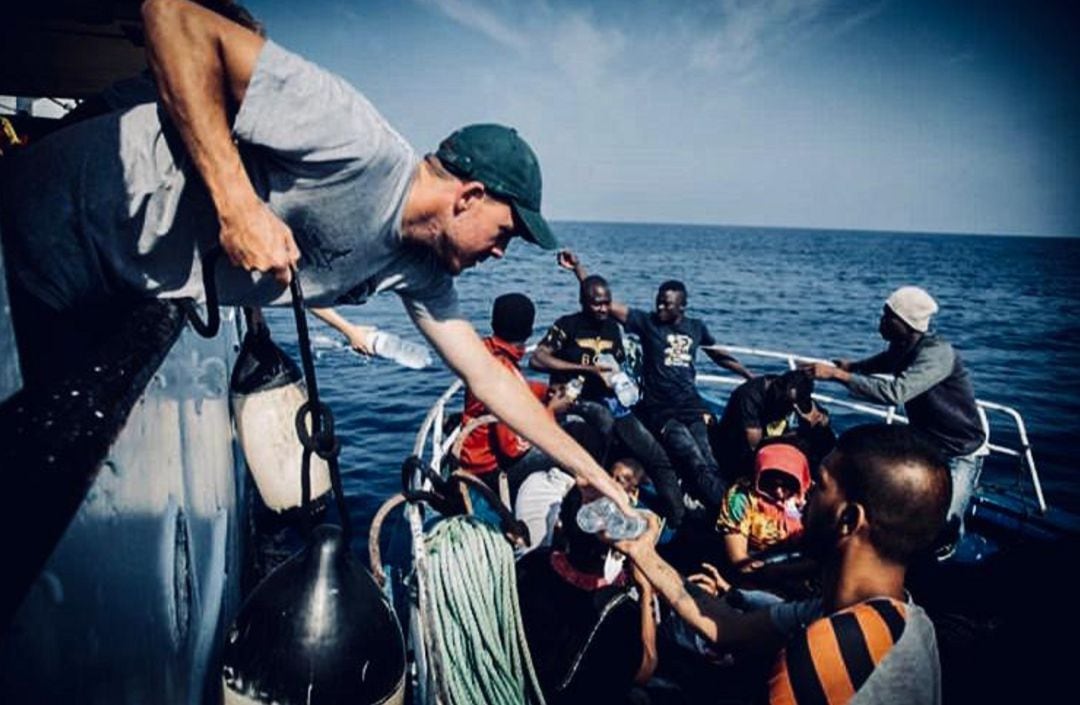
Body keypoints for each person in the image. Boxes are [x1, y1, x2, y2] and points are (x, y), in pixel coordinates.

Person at [0, 0, 630, 514]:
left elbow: (491, 378)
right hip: (41, 228)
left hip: (102, 286)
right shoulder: (354, 140)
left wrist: (591, 472)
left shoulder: (418, 268)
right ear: (468, 196)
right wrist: (237, 205)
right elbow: (173, 16)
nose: (502, 253)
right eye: (507, 232)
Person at [613, 424, 951, 705]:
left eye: (818, 485)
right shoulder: (906, 618)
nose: (802, 499)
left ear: (848, 519)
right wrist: (646, 555)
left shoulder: (820, 652)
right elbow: (727, 627)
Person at [559, 250, 752, 514]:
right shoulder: (647, 323)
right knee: (691, 456)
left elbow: (718, 355)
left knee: (708, 456)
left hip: (691, 406)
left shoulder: (696, 327)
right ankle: (727, 513)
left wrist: (748, 375)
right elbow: (604, 302)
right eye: (658, 302)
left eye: (667, 304)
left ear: (682, 306)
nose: (660, 307)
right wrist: (577, 269)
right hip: (661, 410)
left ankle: (723, 504)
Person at [806, 286, 985, 551]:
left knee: (945, 525)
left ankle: (943, 561)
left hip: (960, 450)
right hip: (928, 444)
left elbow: (895, 392)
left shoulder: (937, 353)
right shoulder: (902, 347)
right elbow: (885, 361)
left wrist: (837, 376)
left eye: (888, 316)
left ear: (906, 323)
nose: (882, 321)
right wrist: (853, 367)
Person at [532, 266, 686, 526]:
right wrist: (586, 369)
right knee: (603, 423)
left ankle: (677, 519)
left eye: (606, 303)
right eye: (596, 304)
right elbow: (538, 358)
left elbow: (618, 365)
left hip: (610, 400)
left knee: (654, 452)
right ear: (583, 302)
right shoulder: (567, 325)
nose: (603, 309)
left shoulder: (613, 329)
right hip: (575, 401)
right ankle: (591, 501)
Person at [516, 487, 657, 704]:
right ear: (617, 541)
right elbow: (643, 670)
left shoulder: (533, 563)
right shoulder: (621, 612)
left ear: (562, 523)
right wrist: (646, 592)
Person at [458, 293, 555, 495]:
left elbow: (512, 389)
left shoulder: (484, 351)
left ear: (494, 323)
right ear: (529, 330)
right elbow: (512, 449)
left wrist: (544, 391)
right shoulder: (503, 372)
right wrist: (552, 410)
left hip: (471, 455)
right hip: (489, 472)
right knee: (574, 438)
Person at [711, 369, 831, 483]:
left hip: (773, 440)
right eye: (788, 403)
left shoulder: (792, 389)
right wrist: (790, 440)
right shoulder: (748, 397)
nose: (790, 408)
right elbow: (754, 446)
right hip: (738, 450)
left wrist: (817, 419)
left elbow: (821, 417)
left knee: (823, 438)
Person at [716, 442, 811, 572]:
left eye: (785, 486)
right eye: (772, 483)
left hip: (798, 563)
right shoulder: (741, 499)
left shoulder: (808, 498)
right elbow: (738, 560)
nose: (778, 492)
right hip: (757, 567)